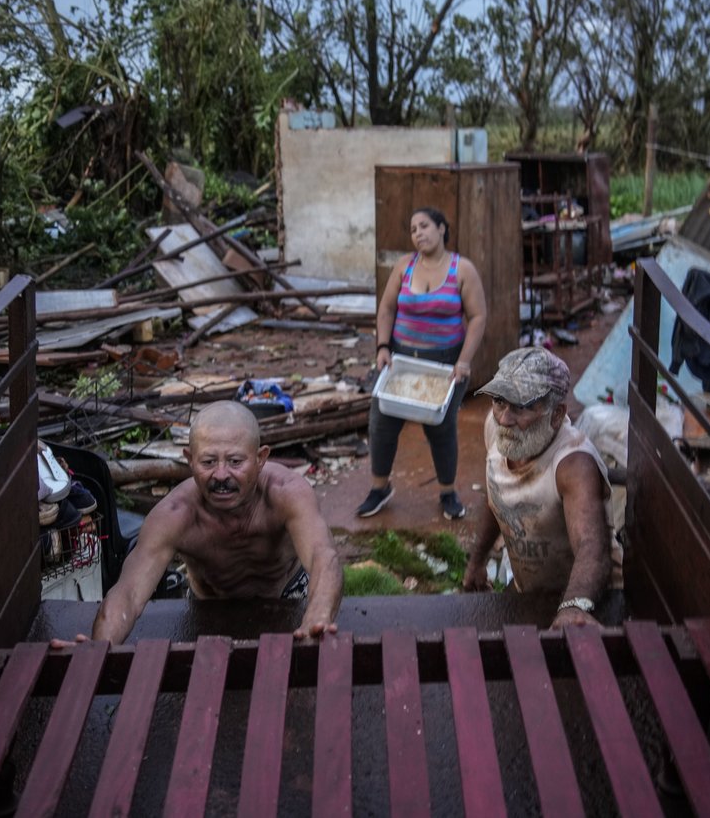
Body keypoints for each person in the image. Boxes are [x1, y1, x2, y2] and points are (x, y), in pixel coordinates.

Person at [52, 402, 342, 646]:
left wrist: (317, 616)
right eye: (208, 462)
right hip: (209, 606)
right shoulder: (175, 514)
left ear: (260, 458)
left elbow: (323, 556)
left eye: (235, 462)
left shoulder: (287, 492)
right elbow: (128, 592)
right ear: (189, 460)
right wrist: (99, 648)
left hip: (286, 593)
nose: (221, 475)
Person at [462, 347, 620, 629]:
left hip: (587, 598)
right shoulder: (497, 428)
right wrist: (477, 562)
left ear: (557, 414)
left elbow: (591, 547)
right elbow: (495, 493)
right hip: (532, 593)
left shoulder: (573, 463)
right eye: (499, 401)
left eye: (522, 407)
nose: (505, 419)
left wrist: (574, 606)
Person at [358, 207, 487, 521]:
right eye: (413, 229)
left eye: (425, 226)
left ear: (442, 228)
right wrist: (383, 347)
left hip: (445, 363)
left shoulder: (462, 269)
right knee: (382, 422)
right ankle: (379, 488)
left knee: (440, 427)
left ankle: (447, 492)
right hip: (401, 358)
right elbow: (387, 309)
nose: (418, 233)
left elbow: (478, 317)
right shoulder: (404, 266)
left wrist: (464, 362)